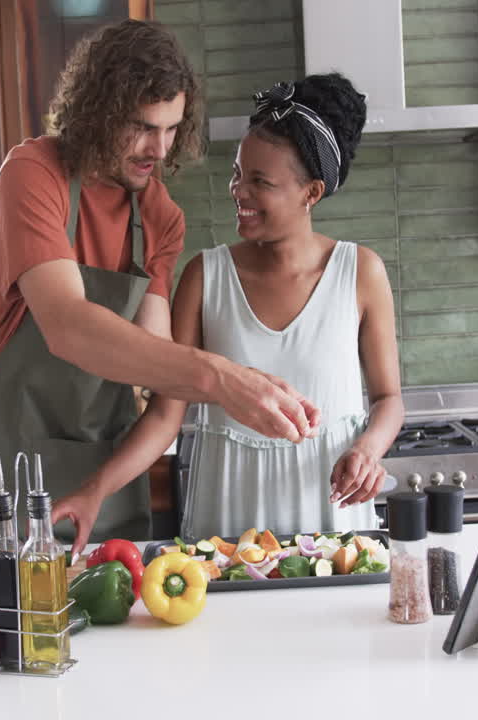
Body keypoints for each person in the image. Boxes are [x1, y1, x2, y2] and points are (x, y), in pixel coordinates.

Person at [0, 20, 319, 548]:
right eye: (141, 127)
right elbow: (67, 325)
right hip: (15, 474)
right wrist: (222, 378)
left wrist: (254, 386)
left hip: (110, 475)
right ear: (98, 112)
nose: (159, 149)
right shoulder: (33, 175)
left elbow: (158, 363)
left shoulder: (159, 216)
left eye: (171, 128)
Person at [53, 73, 405, 551]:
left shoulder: (360, 273)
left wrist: (367, 450)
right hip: (225, 521)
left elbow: (388, 399)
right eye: (239, 174)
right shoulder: (206, 276)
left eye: (260, 181)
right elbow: (164, 416)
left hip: (329, 513)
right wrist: (96, 491)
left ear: (311, 193)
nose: (239, 191)